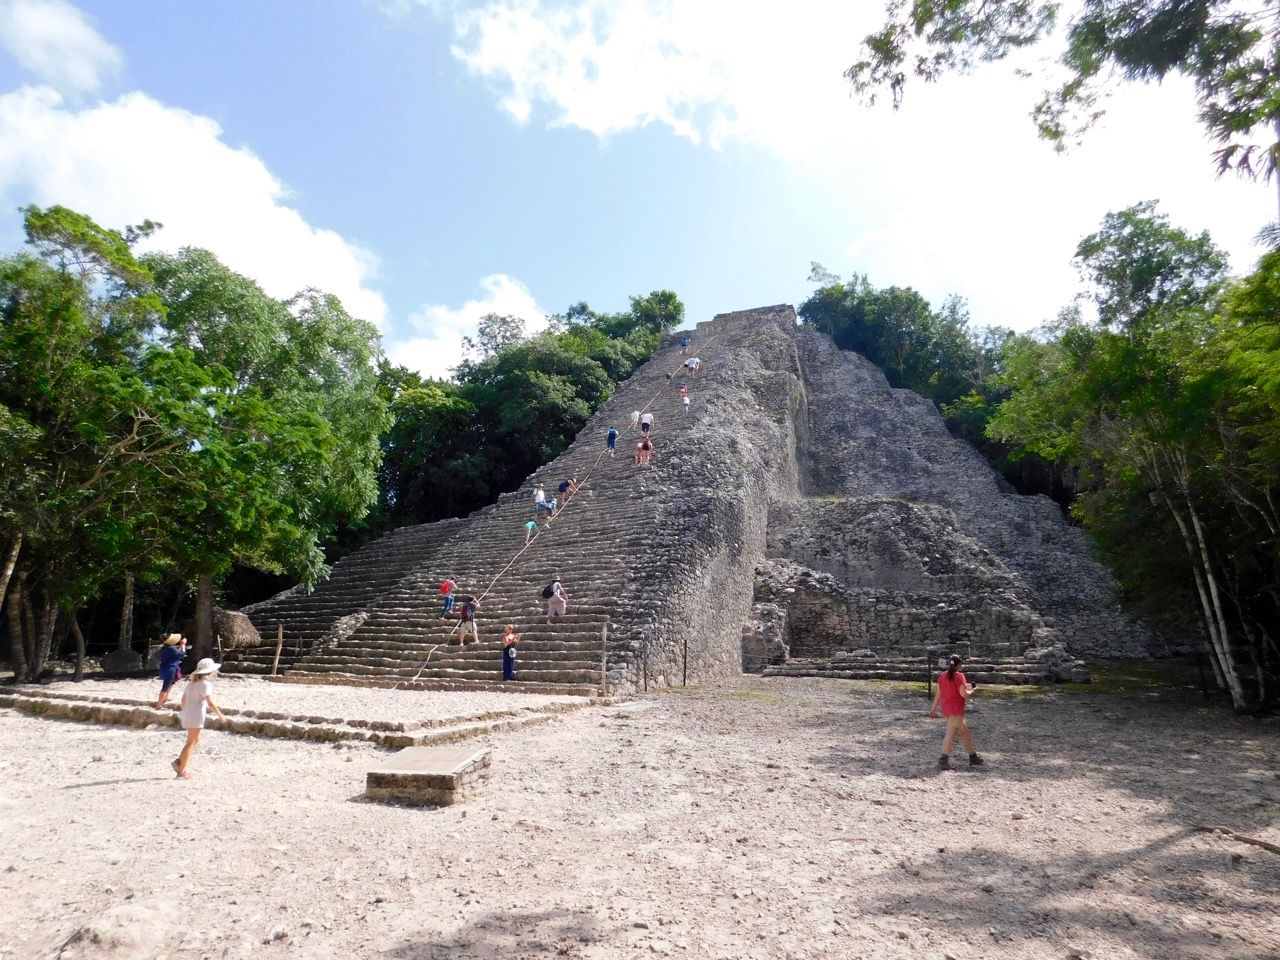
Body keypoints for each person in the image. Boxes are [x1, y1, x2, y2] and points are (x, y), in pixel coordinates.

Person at [172, 657, 224, 780]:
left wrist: (187, 711)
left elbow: (183, 701)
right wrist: (220, 715)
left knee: (195, 740)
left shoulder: (191, 683)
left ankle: (180, 763)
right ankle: (181, 769)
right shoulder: (205, 684)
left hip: (188, 713)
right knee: (191, 742)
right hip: (196, 714)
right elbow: (211, 703)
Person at [929, 654, 984, 770]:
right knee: (950, 734)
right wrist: (973, 691)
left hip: (947, 709)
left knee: (965, 732)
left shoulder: (942, 676)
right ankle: (943, 760)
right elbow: (963, 694)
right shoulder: (959, 676)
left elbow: (938, 694)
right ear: (959, 665)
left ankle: (973, 757)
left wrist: (933, 709)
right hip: (956, 710)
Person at [155, 633, 187, 709]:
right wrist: (183, 645)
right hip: (171, 669)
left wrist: (180, 646)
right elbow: (182, 654)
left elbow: (176, 653)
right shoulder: (172, 649)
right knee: (165, 686)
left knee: (171, 683)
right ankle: (159, 704)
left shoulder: (166, 648)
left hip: (165, 668)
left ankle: (166, 697)